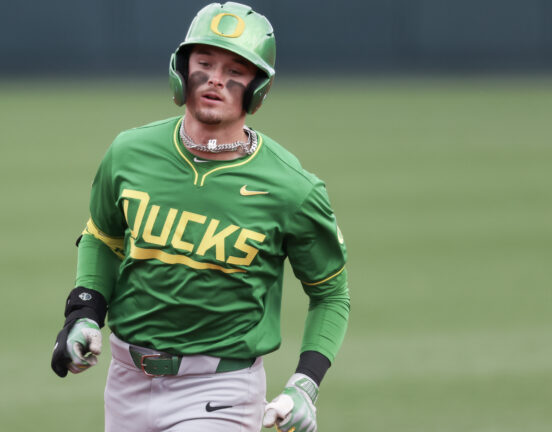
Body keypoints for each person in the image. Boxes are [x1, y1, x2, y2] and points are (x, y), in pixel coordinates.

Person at [51, 2, 350, 431]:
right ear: (181, 70)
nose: (215, 79)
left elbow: (331, 294)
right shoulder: (129, 153)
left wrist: (306, 383)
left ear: (258, 88)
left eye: (235, 70)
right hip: (124, 383)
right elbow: (102, 237)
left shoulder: (293, 188)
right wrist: (84, 313)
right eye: (204, 63)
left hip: (221, 390)